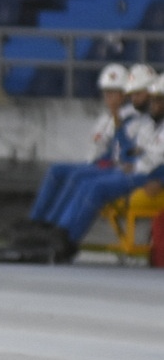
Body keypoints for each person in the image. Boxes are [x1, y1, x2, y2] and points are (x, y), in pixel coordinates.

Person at [40, 73, 164, 262]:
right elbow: (139, 149)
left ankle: (67, 240)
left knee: (97, 187)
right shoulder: (153, 125)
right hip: (137, 169)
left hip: (148, 175)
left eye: (158, 100)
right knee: (87, 181)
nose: (153, 104)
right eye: (153, 99)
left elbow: (155, 158)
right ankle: (57, 231)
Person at [9, 63, 135, 244]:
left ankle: (56, 229)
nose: (108, 97)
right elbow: (95, 149)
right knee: (56, 170)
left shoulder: (131, 117)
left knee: (78, 177)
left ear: (125, 95)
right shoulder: (106, 117)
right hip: (101, 163)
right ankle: (37, 221)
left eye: (113, 93)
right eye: (106, 92)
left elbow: (122, 152)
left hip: (116, 167)